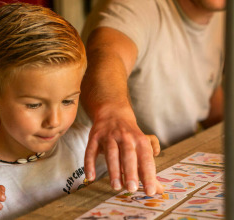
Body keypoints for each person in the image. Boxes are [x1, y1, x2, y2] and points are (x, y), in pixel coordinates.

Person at [0, 3, 108, 219]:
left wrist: (137, 150)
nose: (54, 120)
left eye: (68, 101)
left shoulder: (85, 144)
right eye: (34, 105)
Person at [78, 0, 225, 197]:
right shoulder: (133, 5)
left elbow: (207, 94)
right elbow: (105, 54)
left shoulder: (220, 16)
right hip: (101, 179)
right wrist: (112, 113)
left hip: (173, 168)